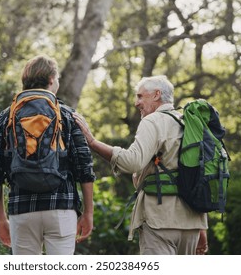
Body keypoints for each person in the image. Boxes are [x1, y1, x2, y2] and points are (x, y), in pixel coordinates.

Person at [73, 75, 208, 255]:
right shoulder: (188, 123)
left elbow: (132, 162)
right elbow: (195, 178)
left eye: (140, 96)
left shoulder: (153, 120)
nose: (136, 103)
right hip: (191, 224)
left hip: (160, 221)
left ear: (156, 95)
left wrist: (92, 142)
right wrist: (202, 229)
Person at [0, 54, 96, 255]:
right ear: (51, 80)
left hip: (22, 209)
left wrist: (0, 218)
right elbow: (84, 167)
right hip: (61, 207)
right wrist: (88, 212)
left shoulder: (6, 116)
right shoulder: (67, 114)